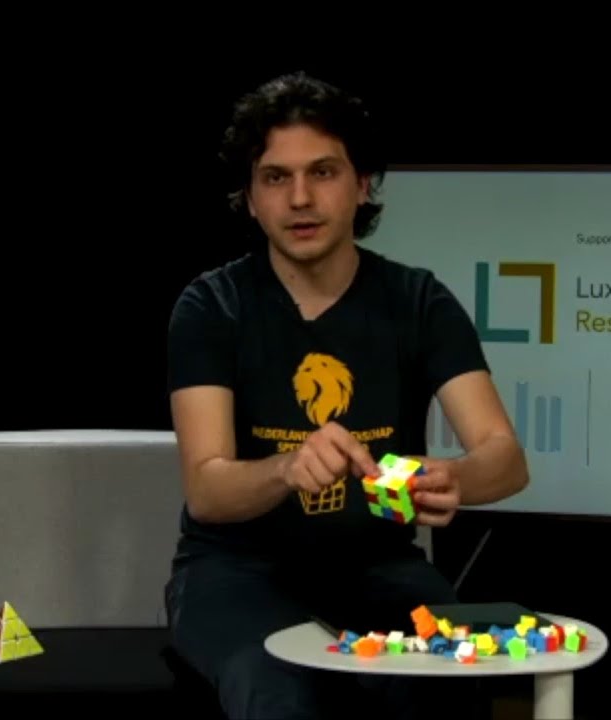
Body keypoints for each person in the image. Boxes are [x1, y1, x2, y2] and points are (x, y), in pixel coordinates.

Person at [163, 71, 530, 719]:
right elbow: (208, 489)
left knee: (445, 678)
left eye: (323, 172)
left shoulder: (419, 301)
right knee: (279, 689)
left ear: (362, 185)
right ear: (251, 198)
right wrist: (286, 467)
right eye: (275, 177)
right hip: (233, 571)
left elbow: (505, 458)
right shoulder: (212, 306)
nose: (300, 198)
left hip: (378, 564)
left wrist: (453, 477)